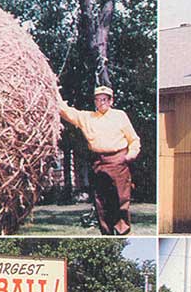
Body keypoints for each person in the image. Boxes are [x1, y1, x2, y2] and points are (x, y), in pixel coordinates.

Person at [58, 85, 140, 235]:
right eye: (97, 99)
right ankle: (106, 233)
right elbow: (66, 112)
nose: (101, 102)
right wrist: (53, 91)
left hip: (118, 160)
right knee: (101, 202)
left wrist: (130, 155)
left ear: (110, 101)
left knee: (121, 199)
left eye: (104, 99)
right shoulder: (88, 117)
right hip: (98, 163)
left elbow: (134, 139)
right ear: (94, 101)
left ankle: (122, 231)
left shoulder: (119, 115)